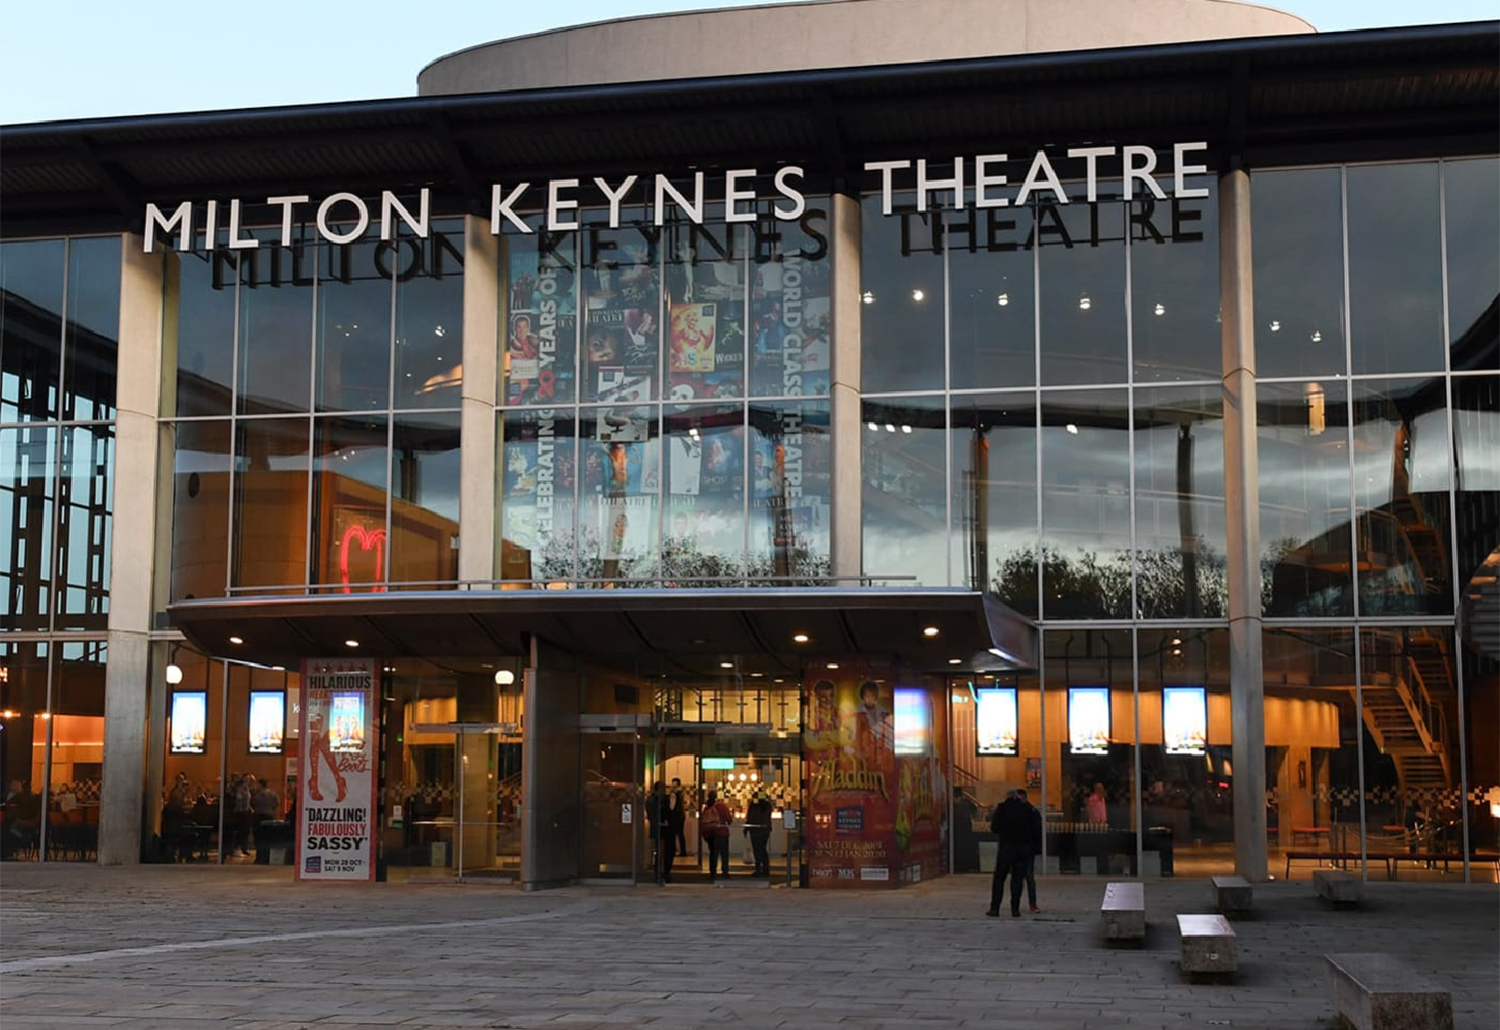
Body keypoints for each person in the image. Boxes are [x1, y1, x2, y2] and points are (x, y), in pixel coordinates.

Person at [987, 789, 1033, 918]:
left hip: (1006, 847)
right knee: (1017, 879)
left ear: (1007, 797)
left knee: (999, 878)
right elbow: (1033, 828)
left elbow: (994, 828)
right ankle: (1015, 909)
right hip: (1022, 848)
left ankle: (995, 908)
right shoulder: (1026, 809)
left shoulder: (1002, 808)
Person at [1016, 787, 1043, 913]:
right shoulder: (1033, 811)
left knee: (1023, 877)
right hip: (1028, 849)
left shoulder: (1028, 812)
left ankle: (1018, 903)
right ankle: (1032, 904)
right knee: (1028, 877)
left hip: (1022, 848)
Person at [700, 790, 733, 880]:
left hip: (711, 833)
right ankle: (725, 872)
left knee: (713, 854)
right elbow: (729, 820)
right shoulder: (722, 806)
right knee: (724, 854)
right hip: (722, 832)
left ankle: (713, 872)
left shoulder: (707, 807)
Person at [645, 781, 674, 884]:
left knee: (667, 851)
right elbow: (652, 815)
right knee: (659, 851)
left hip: (665, 829)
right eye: (662, 788)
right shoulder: (653, 800)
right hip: (659, 828)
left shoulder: (664, 800)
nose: (664, 790)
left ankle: (663, 872)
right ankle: (658, 873)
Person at [745, 790, 773, 877]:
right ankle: (765, 868)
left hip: (755, 829)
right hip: (764, 829)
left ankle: (758, 868)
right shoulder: (767, 805)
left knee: (757, 849)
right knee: (762, 849)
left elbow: (750, 817)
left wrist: (746, 828)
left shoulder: (754, 806)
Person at [952, 787, 981, 874]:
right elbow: (975, 812)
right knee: (966, 846)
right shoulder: (968, 803)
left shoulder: (955, 805)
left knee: (960, 847)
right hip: (966, 827)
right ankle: (967, 865)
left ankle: (961, 865)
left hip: (958, 828)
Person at [669, 778, 688, 858]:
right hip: (681, 815)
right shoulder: (681, 793)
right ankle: (683, 850)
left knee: (673, 834)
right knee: (680, 834)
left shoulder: (674, 794)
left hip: (676, 816)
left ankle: (674, 850)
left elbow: (672, 807)